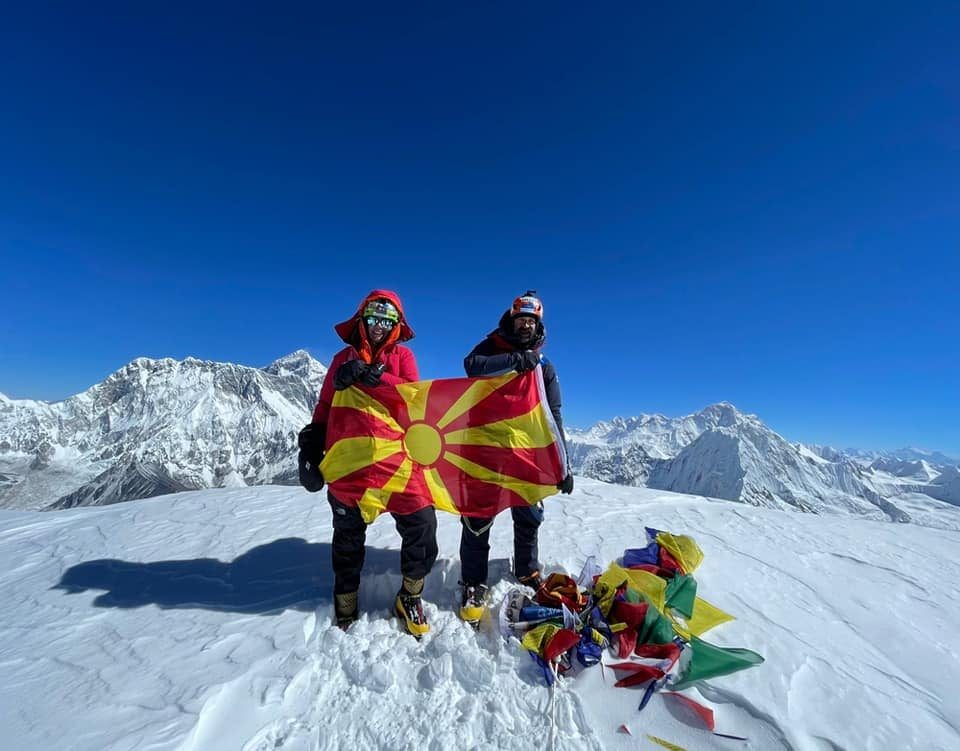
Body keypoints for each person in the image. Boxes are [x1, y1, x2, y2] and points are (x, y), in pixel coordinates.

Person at [297, 290, 437, 637]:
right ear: (362, 319)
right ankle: (346, 599)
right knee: (347, 537)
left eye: (386, 322)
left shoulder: (403, 357)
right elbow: (326, 406)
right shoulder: (340, 359)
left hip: (398, 462)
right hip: (351, 465)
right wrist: (312, 448)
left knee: (422, 524)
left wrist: (377, 378)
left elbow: (414, 398)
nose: (378, 327)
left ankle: (410, 595)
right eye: (374, 320)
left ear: (396, 325)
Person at [457, 290, 574, 624]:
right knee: (478, 519)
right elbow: (472, 367)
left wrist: (563, 464)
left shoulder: (544, 367)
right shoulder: (491, 348)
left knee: (528, 515)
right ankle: (473, 582)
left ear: (538, 325)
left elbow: (555, 415)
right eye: (521, 319)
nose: (525, 326)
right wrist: (513, 361)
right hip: (483, 450)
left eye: (531, 321)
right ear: (511, 319)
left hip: (525, 453)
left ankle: (526, 569)